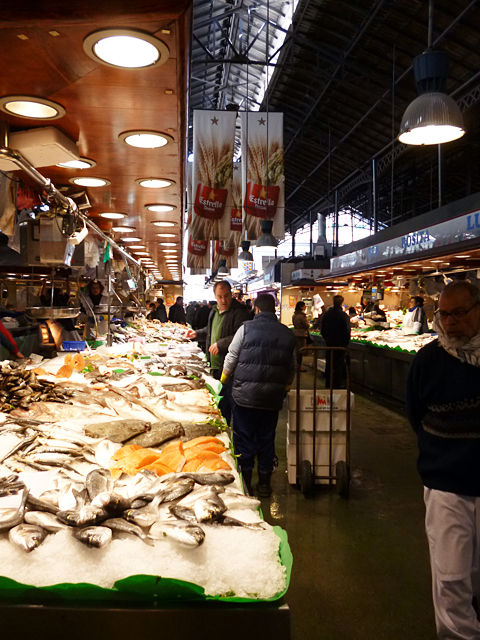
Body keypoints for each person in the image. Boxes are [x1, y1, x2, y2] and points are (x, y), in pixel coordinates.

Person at [406, 281, 480, 639]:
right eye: (444, 315)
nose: (450, 322)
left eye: (459, 313)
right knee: (451, 577)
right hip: (446, 484)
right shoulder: (428, 361)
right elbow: (415, 415)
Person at [220, 293, 296, 497]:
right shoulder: (287, 334)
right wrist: (285, 388)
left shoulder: (245, 329)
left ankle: (245, 483)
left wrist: (223, 381)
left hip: (244, 398)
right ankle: (264, 484)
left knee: (244, 438)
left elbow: (232, 357)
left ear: (256, 309)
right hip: (271, 399)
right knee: (266, 438)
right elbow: (292, 367)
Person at [187, 280, 250, 424]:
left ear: (231, 294)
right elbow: (210, 331)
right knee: (217, 403)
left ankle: (226, 430)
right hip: (214, 367)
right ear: (215, 296)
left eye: (226, 296)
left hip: (230, 369)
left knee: (227, 405)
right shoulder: (214, 311)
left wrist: (221, 344)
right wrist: (196, 333)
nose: (223, 300)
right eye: (220, 296)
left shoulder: (239, 312)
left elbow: (242, 336)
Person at [321, 295, 351, 388]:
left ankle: (328, 384)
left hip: (329, 344)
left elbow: (322, 330)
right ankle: (337, 385)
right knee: (339, 365)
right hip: (340, 346)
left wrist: (327, 339)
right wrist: (345, 344)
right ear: (342, 303)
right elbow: (347, 331)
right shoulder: (344, 316)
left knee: (329, 364)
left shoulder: (327, 315)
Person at [292, 300, 310, 371]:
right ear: (301, 307)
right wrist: (308, 324)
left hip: (295, 333)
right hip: (301, 334)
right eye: (304, 305)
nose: (305, 307)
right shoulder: (302, 316)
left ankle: (296, 365)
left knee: (297, 351)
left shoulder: (294, 315)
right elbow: (306, 325)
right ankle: (299, 367)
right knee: (300, 351)